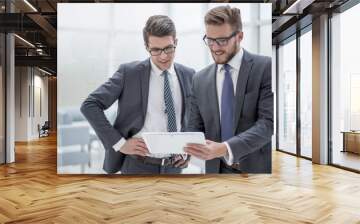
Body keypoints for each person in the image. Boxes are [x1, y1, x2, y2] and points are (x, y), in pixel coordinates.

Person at [81, 15, 195, 174]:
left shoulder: (189, 75)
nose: (163, 56)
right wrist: (120, 144)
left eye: (168, 48)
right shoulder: (129, 74)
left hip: (174, 168)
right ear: (146, 47)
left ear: (176, 42)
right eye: (156, 50)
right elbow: (90, 105)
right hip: (137, 166)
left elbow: (192, 118)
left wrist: (187, 151)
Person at [184, 5, 273, 174]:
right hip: (215, 170)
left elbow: (268, 123)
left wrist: (226, 148)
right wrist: (185, 150)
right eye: (210, 40)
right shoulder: (199, 79)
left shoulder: (265, 67)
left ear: (239, 36)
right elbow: (195, 127)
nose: (215, 47)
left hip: (256, 170)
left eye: (222, 41)